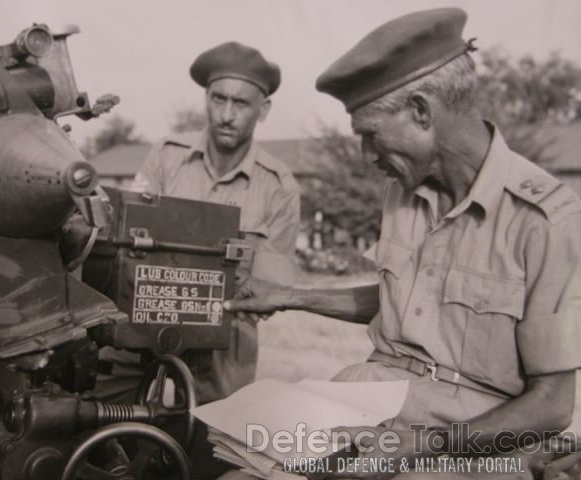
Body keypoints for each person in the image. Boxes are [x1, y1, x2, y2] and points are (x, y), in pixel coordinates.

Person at [222, 8, 581, 480]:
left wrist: (423, 447)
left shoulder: (545, 219)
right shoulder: (404, 189)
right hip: (373, 399)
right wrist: (290, 297)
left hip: (474, 440)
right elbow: (406, 302)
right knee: (235, 471)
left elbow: (553, 406)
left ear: (421, 111)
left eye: (370, 135)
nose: (367, 156)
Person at [132, 41, 300, 404]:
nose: (226, 114)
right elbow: (128, 240)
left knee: (214, 443)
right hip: (148, 316)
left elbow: (267, 294)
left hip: (226, 336)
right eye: (217, 99)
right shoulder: (166, 156)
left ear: (263, 109)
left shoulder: (278, 185)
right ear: (205, 99)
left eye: (240, 103)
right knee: (115, 425)